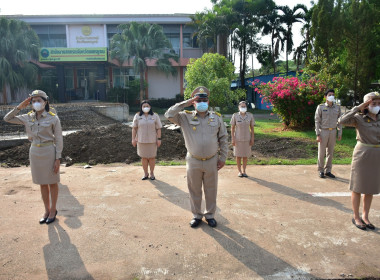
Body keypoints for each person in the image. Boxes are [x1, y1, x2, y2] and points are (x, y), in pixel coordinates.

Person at [165, 86, 228, 228]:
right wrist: (185, 103)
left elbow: (223, 138)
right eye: (198, 100)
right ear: (193, 102)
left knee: (211, 189)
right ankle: (197, 215)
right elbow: (168, 114)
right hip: (193, 160)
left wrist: (223, 158)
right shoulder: (184, 117)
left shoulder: (216, 117)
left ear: (208, 101)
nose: (202, 102)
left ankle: (210, 215)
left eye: (204, 100)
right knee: (194, 189)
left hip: (212, 160)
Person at [4, 90, 63, 224]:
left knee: (52, 182)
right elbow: (7, 118)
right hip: (35, 151)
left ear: (45, 102)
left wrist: (58, 158)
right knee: (42, 183)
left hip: (49, 151)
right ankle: (46, 210)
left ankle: (53, 210)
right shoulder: (27, 117)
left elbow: (59, 139)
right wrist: (20, 107)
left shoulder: (53, 118)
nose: (36, 103)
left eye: (39, 100)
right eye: (33, 100)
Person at [338, 92, 380, 230]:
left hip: (376, 155)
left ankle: (365, 216)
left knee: (370, 188)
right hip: (362, 155)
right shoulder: (358, 118)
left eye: (378, 103)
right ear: (366, 104)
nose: (377, 106)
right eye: (373, 103)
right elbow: (342, 120)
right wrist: (358, 107)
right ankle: (356, 217)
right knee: (357, 187)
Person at [314, 89, 342, 178]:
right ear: (325, 96)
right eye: (330, 95)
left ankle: (328, 170)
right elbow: (317, 121)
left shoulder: (337, 107)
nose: (332, 96)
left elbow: (340, 121)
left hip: (333, 131)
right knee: (321, 152)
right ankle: (321, 170)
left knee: (330, 152)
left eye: (333, 95)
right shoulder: (321, 107)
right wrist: (318, 134)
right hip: (324, 131)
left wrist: (339, 132)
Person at [132, 100, 162, 180]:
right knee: (144, 158)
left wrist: (159, 139)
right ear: (141, 107)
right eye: (144, 106)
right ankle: (146, 173)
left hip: (152, 141)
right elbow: (134, 129)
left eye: (147, 106)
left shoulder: (155, 116)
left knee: (152, 157)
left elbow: (158, 128)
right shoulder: (137, 116)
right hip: (141, 141)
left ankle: (152, 173)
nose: (146, 108)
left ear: (150, 107)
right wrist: (133, 139)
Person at [230, 101, 255, 177]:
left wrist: (252, 138)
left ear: (246, 107)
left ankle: (244, 171)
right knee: (238, 155)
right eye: (241, 106)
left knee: (245, 155)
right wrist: (233, 139)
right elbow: (232, 128)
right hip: (238, 139)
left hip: (247, 139)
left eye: (244, 106)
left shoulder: (250, 116)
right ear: (238, 107)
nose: (243, 108)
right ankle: (239, 171)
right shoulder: (235, 116)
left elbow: (252, 128)